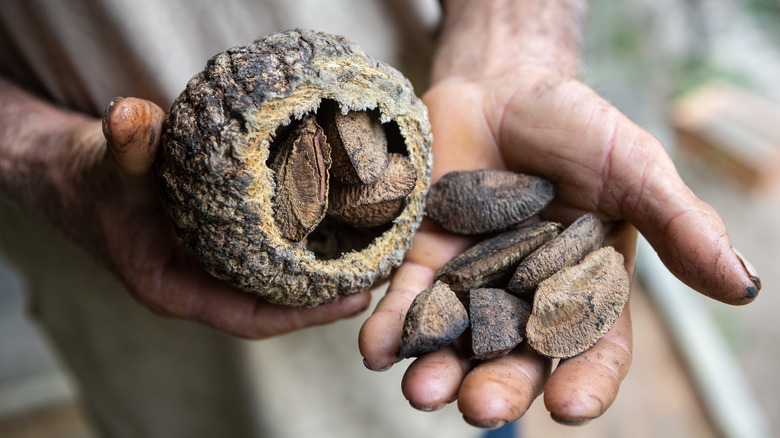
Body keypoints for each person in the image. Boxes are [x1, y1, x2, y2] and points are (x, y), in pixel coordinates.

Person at [0, 0, 760, 437]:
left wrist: (511, 40)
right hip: (120, 296)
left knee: (484, 405)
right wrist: (40, 159)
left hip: (451, 143)